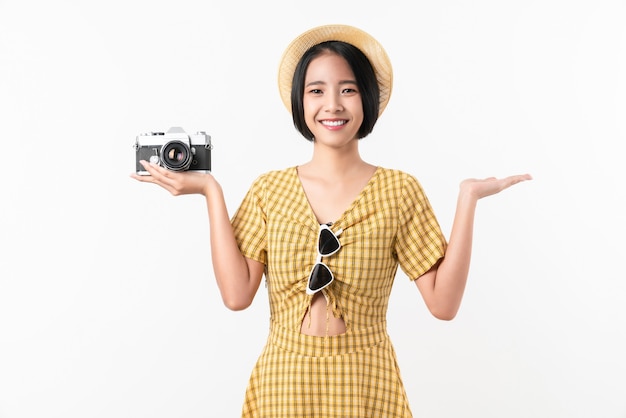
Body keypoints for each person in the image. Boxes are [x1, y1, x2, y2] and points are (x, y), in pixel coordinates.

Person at [131, 24, 531, 418]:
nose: (333, 104)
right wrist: (210, 192)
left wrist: (468, 199)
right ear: (300, 102)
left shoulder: (399, 191)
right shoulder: (269, 191)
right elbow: (237, 296)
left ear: (367, 99)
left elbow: (443, 304)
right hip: (283, 387)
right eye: (317, 90)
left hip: (368, 386)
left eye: (349, 89)